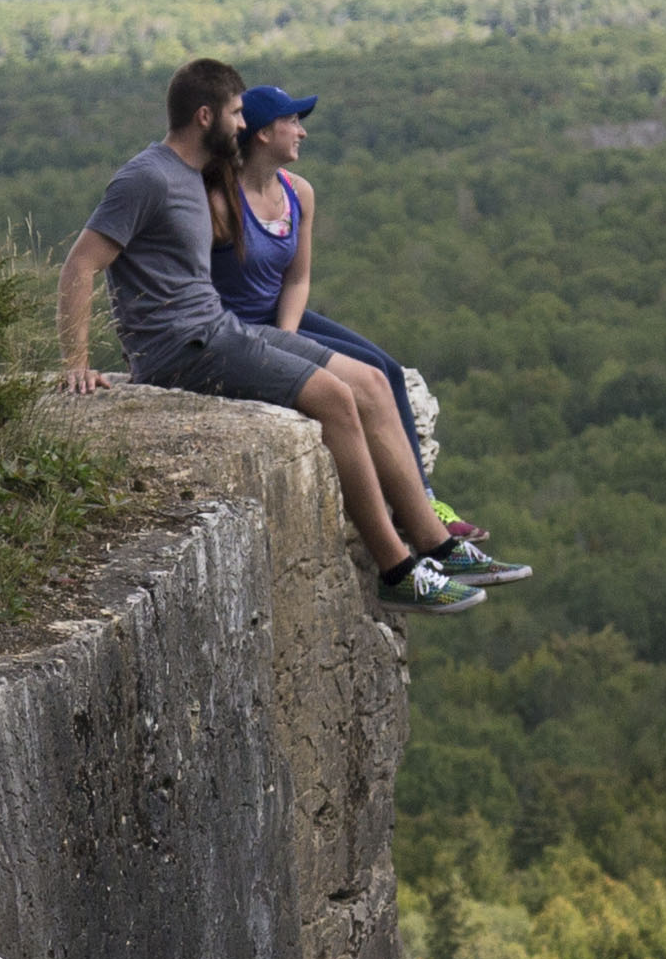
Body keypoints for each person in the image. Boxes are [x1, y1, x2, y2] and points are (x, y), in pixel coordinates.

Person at [57, 57, 483, 612]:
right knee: (334, 399)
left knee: (372, 381)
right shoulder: (147, 176)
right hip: (183, 349)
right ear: (205, 115)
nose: (241, 123)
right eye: (236, 113)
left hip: (220, 329)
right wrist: (77, 362)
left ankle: (437, 543)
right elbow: (80, 263)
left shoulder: (194, 175)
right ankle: (397, 569)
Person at [208, 83, 530, 587]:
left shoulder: (298, 192)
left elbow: (297, 278)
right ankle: (424, 534)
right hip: (237, 330)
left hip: (280, 319)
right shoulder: (219, 200)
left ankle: (421, 506)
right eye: (293, 121)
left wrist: (288, 336)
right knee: (364, 386)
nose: (302, 130)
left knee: (387, 372)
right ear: (264, 133)